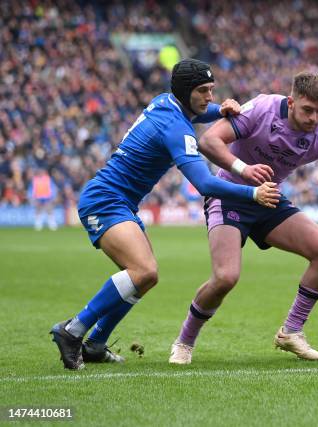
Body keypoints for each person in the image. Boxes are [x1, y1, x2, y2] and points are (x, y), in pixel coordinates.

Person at [50, 59, 280, 370]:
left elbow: (201, 111)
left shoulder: (166, 103)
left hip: (117, 201)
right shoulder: (175, 128)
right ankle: (73, 330)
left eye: (212, 90)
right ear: (186, 92)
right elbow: (203, 183)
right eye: (203, 91)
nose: (210, 97)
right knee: (143, 271)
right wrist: (252, 192)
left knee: (144, 278)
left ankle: (95, 343)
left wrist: (222, 111)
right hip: (105, 201)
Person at [168, 71, 318, 364]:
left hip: (268, 200)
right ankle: (184, 342)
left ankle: (291, 331)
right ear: (291, 102)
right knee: (225, 277)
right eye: (308, 110)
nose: (314, 118)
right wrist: (244, 169)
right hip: (230, 194)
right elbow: (209, 141)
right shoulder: (262, 109)